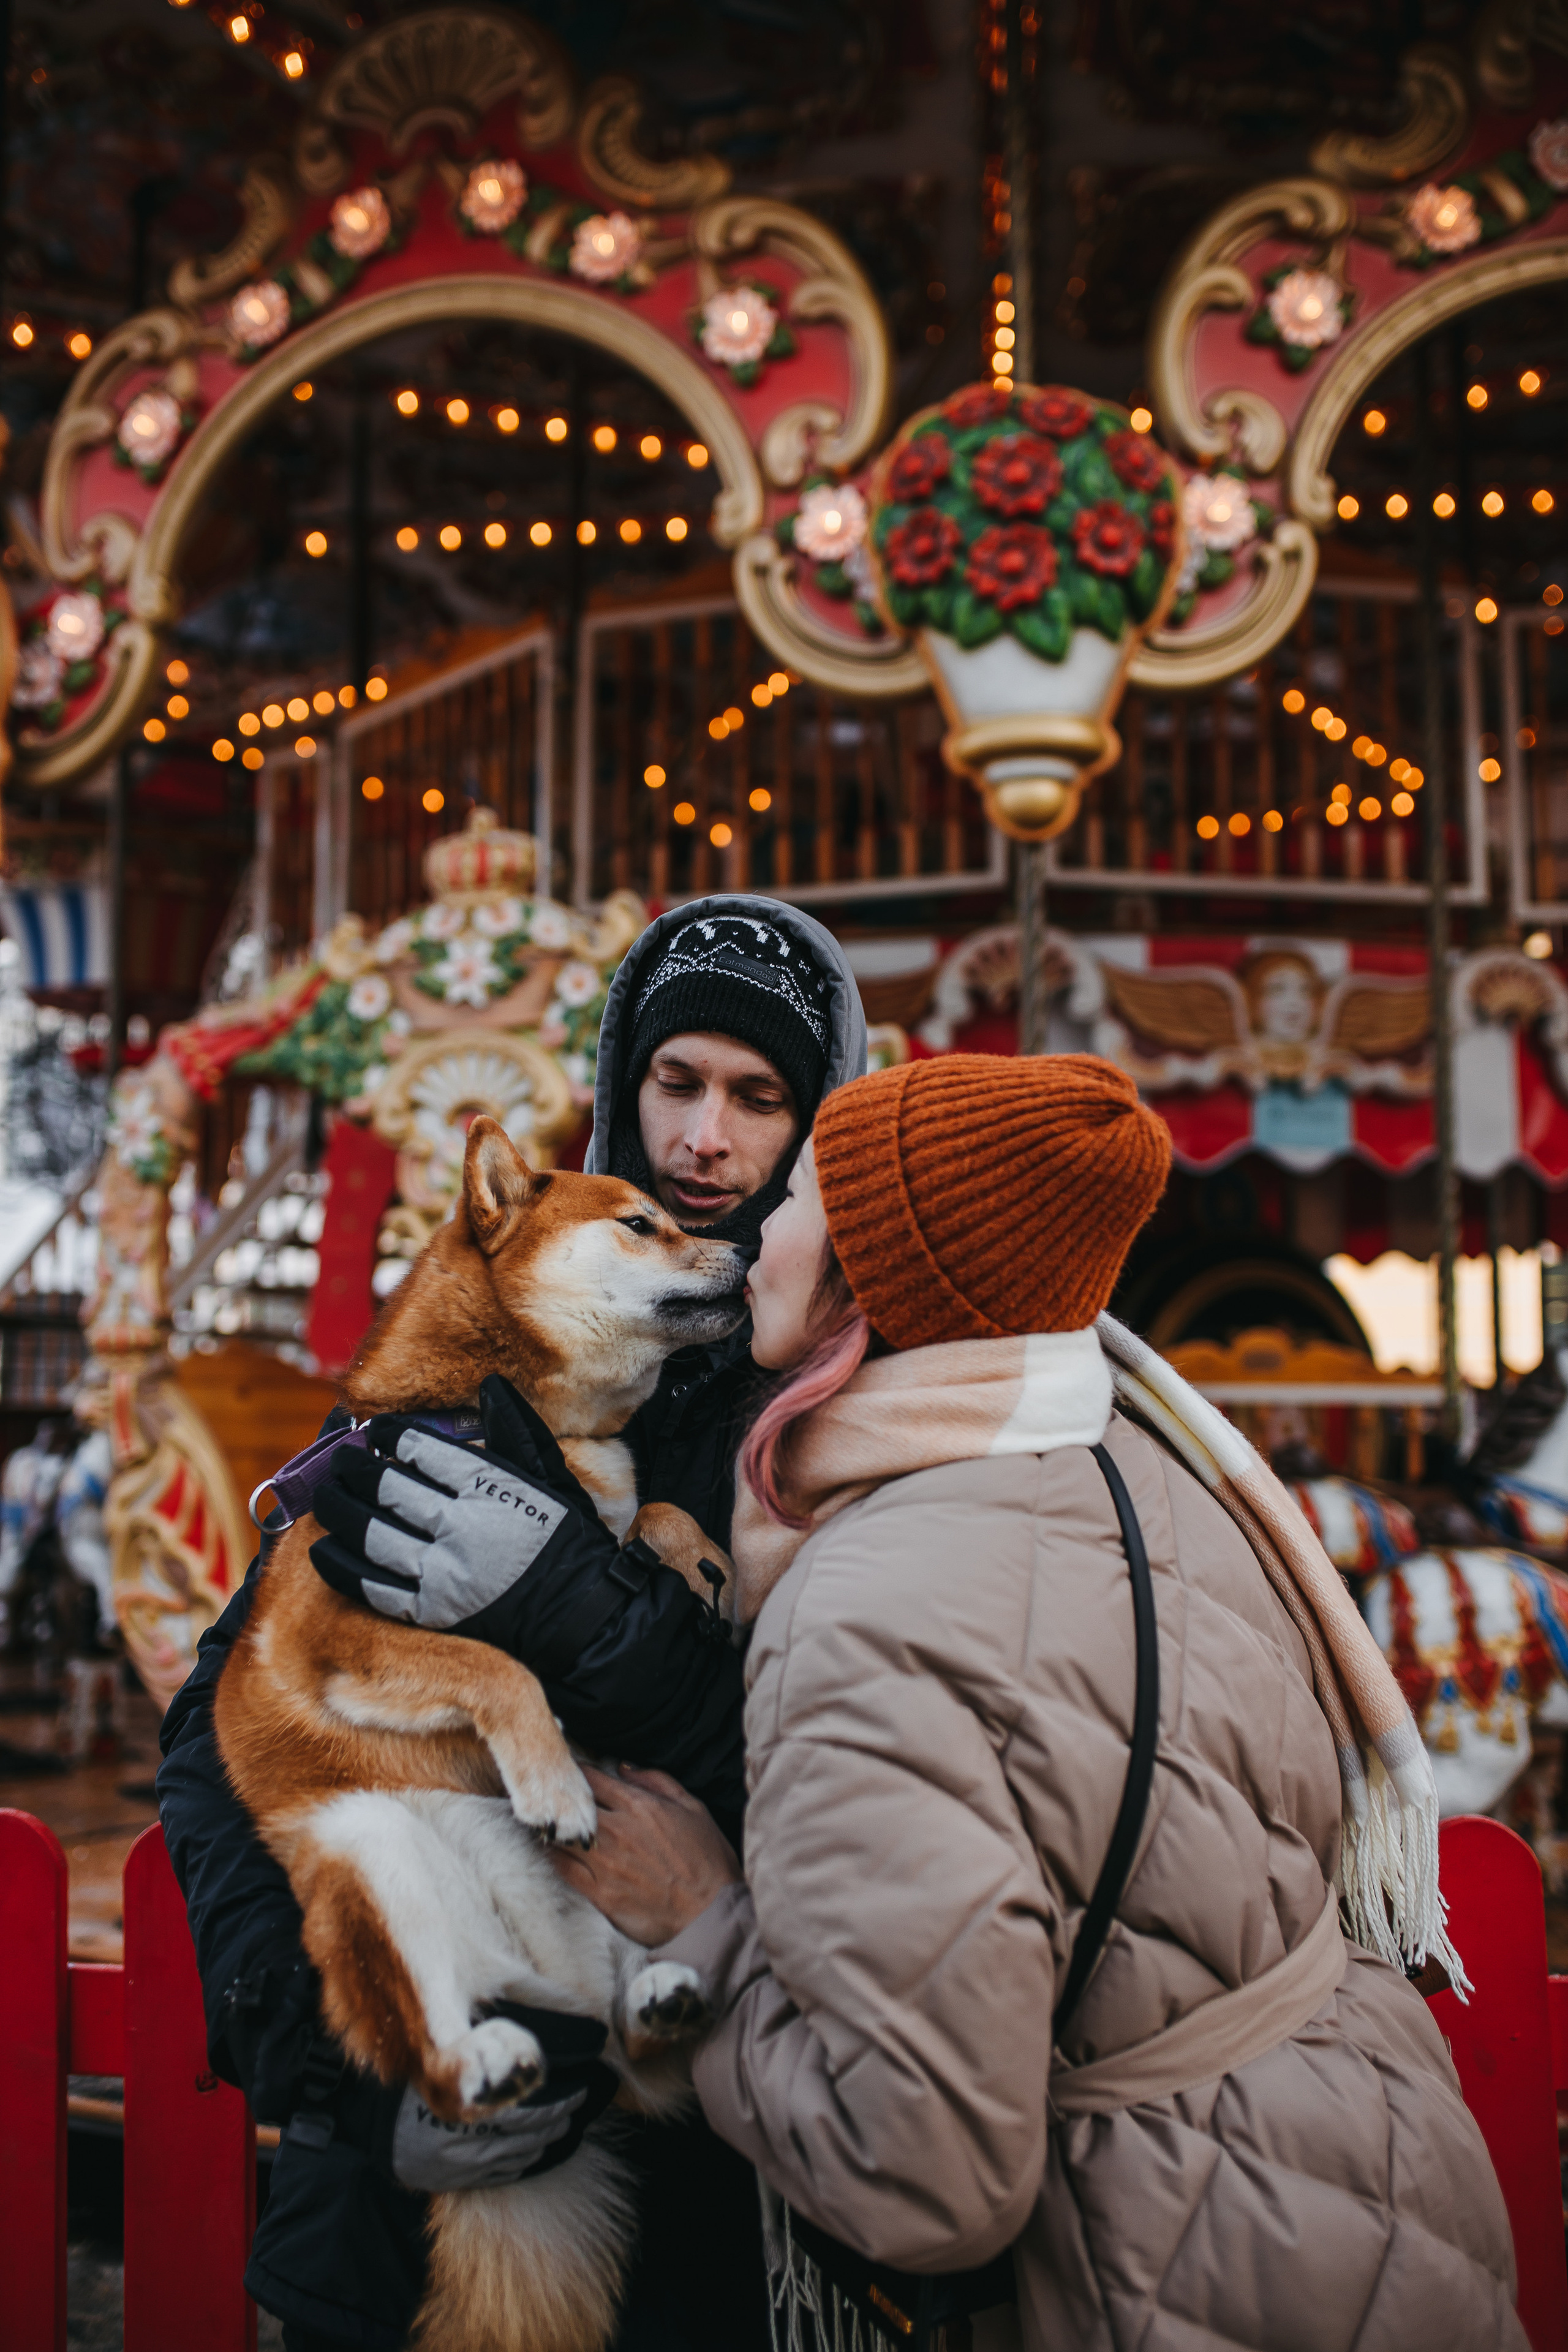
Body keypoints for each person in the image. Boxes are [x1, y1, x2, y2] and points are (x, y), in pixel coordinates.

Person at [552, 1052, 1526, 2352]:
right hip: (1367, 2179)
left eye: (802, 1198)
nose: (758, 1223)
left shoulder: (872, 1608)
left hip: (1167, 2259)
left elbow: (922, 2173)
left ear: (872, 1273)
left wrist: (703, 1923)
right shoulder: (1156, 1475)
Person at [156, 896, 867, 2352]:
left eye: (758, 1098)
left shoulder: (852, 1422)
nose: (703, 1145)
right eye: (675, 1084)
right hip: (389, 2215)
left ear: (814, 1134)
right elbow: (217, 1739)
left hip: (714, 2222)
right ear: (620, 1090)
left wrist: (590, 1615)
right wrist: (346, 2053)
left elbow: (863, 1794)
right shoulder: (460, 1376)